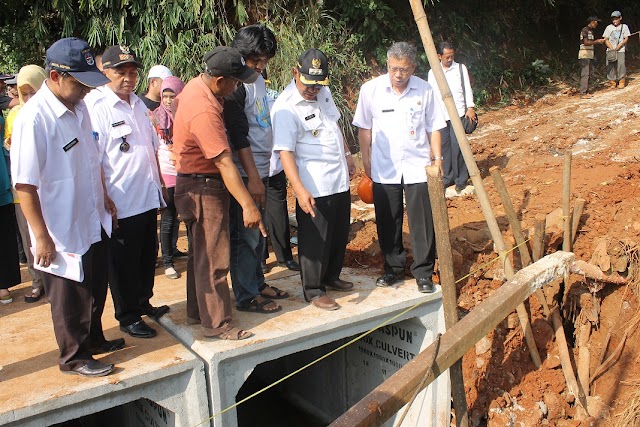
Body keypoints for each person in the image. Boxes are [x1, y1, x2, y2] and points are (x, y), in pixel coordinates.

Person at [11, 37, 123, 376]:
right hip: (60, 225)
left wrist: (103, 195)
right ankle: (74, 356)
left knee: (95, 283)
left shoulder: (80, 108)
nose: (88, 90)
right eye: (81, 83)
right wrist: (41, 236)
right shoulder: (34, 119)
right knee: (69, 294)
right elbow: (25, 185)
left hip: (89, 215)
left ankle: (94, 340)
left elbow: (91, 158)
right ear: (57, 77)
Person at [172, 46, 263, 339]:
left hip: (194, 182)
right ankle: (218, 323)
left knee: (201, 254)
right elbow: (224, 163)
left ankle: (197, 312)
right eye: (235, 82)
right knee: (215, 257)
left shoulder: (197, 89)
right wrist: (248, 205)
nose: (237, 87)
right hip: (203, 186)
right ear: (220, 80)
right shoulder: (204, 109)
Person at [86, 44, 169, 340]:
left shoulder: (137, 104)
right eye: (121, 72)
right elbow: (93, 158)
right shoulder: (97, 107)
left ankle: (143, 301)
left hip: (145, 196)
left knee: (148, 255)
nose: (128, 78)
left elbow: (149, 148)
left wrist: (159, 185)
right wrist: (103, 197)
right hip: (120, 201)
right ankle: (128, 314)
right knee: (123, 262)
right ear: (104, 72)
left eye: (133, 72)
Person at [353, 41, 446, 294]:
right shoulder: (371, 90)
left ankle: (424, 272)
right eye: (394, 69)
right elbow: (364, 127)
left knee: (422, 222)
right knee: (387, 219)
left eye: (404, 70)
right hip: (385, 166)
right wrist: (366, 159)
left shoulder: (425, 90)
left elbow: (435, 126)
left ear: (413, 67)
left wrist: (437, 161)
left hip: (417, 166)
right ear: (387, 65)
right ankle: (393, 268)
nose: (398, 75)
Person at [271, 48, 356, 311]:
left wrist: (348, 153)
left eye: (318, 84)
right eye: (308, 83)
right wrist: (298, 188)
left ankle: (331, 276)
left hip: (338, 178)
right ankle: (314, 289)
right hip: (313, 182)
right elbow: (285, 151)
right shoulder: (285, 108)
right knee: (315, 237)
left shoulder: (323, 93)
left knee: (338, 231)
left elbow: (334, 124)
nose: (313, 90)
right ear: (295, 73)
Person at [223, 24, 287, 315]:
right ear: (241, 55)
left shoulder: (257, 79)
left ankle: (258, 283)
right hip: (246, 173)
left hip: (264, 168)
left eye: (264, 61)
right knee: (245, 235)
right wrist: (252, 180)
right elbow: (238, 138)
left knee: (258, 235)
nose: (261, 67)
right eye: (255, 61)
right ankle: (246, 295)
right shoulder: (235, 87)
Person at [4, 64, 47, 302]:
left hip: (50, 188)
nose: (30, 98)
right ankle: (36, 281)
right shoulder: (15, 116)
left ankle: (55, 283)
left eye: (34, 91)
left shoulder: (54, 112)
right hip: (24, 191)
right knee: (31, 238)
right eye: (25, 93)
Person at [427, 41, 475, 193]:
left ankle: (461, 179)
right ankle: (448, 178)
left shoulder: (460, 68)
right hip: (440, 115)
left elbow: (467, 88)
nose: (449, 59)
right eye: (447, 57)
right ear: (439, 56)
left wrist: (470, 107)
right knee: (444, 147)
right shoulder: (432, 72)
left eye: (452, 56)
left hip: (458, 113)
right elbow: (431, 94)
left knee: (458, 145)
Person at [153, 75, 186, 279]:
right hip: (166, 172)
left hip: (184, 170)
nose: (167, 100)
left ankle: (178, 251)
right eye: (164, 96)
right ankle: (167, 262)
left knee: (186, 215)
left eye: (171, 96)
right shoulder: (156, 117)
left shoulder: (185, 115)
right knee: (168, 216)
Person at [578, 16, 606, 97]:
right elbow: (586, 42)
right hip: (584, 55)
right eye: (596, 22)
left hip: (589, 55)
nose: (597, 24)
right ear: (593, 21)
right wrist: (597, 41)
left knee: (588, 73)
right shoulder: (585, 30)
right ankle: (583, 93)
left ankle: (586, 91)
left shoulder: (590, 31)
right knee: (585, 73)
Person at [603, 10, 630, 89]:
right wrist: (611, 48)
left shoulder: (624, 27)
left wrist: (620, 45)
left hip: (621, 49)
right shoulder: (608, 27)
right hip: (610, 50)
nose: (614, 21)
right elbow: (606, 39)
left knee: (621, 64)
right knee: (610, 65)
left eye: (616, 19)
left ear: (620, 18)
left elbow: (626, 38)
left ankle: (621, 80)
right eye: (613, 19)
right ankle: (612, 81)